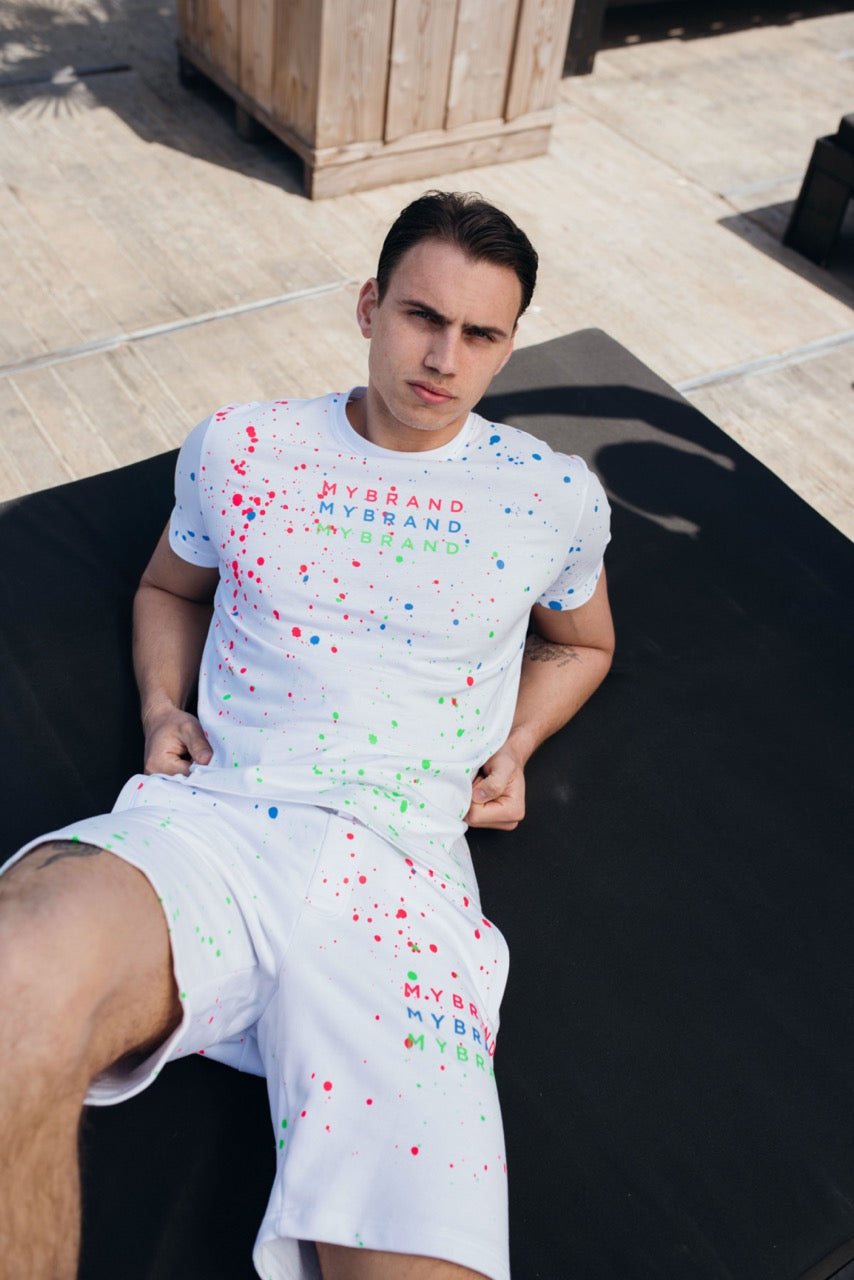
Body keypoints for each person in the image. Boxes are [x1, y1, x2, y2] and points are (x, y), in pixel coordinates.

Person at [0, 192, 614, 1280]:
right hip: (216, 828)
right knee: (14, 974)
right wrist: (162, 707)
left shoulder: (553, 496)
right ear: (369, 306)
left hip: (402, 879)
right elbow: (167, 585)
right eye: (422, 316)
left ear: (508, 343)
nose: (445, 358)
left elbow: (584, 643)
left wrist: (515, 742)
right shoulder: (241, 446)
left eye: (480, 334)